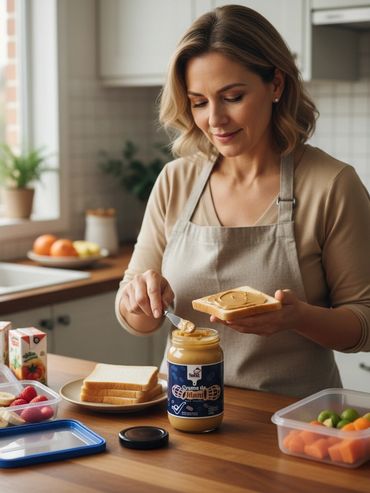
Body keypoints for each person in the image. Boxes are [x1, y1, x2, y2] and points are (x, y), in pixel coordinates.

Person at [115, 5, 370, 397]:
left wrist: (296, 318)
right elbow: (137, 319)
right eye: (198, 102)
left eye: (232, 96)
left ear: (276, 85)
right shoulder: (176, 180)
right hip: (184, 412)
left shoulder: (331, 184)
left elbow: (365, 322)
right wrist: (137, 298)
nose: (214, 119)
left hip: (293, 424)